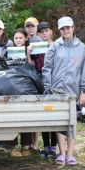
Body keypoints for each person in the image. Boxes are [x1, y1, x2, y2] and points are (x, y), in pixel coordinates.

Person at [41, 17, 85, 166]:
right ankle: (61, 153)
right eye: (63, 28)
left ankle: (70, 153)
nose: (66, 31)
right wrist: (48, 87)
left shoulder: (81, 48)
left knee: (72, 122)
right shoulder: (55, 46)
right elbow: (47, 68)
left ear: (73, 28)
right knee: (60, 122)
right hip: (56, 90)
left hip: (73, 90)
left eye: (68, 28)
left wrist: (84, 90)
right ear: (59, 30)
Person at [10, 28, 35, 157]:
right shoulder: (9, 51)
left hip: (26, 86)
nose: (18, 40)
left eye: (20, 38)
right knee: (12, 115)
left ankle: (26, 145)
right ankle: (13, 146)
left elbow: (32, 66)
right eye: (16, 38)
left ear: (25, 38)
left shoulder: (30, 49)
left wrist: (28, 54)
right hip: (13, 87)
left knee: (26, 115)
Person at [35, 21, 57, 160]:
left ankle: (53, 147)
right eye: (41, 31)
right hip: (40, 82)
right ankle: (46, 146)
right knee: (43, 114)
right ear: (38, 34)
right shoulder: (37, 47)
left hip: (54, 82)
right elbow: (32, 65)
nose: (44, 33)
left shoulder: (57, 46)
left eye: (46, 30)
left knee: (54, 114)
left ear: (51, 32)